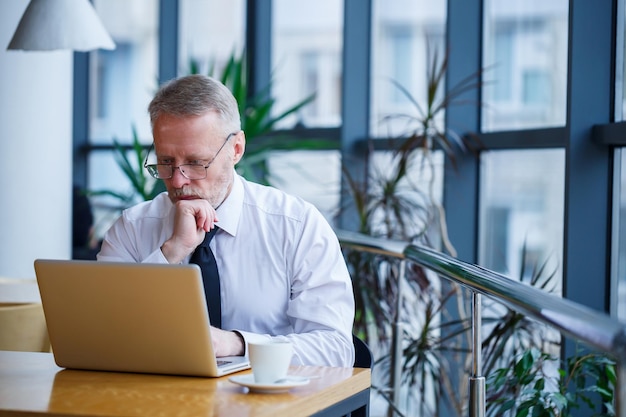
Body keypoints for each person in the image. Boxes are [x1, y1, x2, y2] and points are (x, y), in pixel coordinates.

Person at [97, 74, 355, 367]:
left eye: (196, 162)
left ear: (236, 149)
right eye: (166, 162)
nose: (179, 181)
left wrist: (234, 344)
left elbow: (335, 349)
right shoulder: (132, 229)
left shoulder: (296, 226)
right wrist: (170, 253)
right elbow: (104, 335)